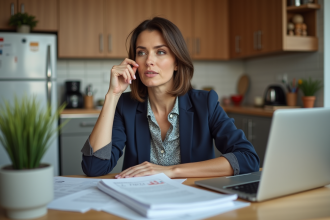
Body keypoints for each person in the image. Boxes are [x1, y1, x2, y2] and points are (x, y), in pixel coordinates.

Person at [81, 17, 259, 178]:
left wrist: (172, 171)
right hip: (141, 204)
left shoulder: (206, 103)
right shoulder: (125, 106)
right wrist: (113, 95)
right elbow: (94, 167)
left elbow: (247, 158)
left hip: (194, 202)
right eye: (141, 52)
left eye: (160, 52)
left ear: (177, 62)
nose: (149, 60)